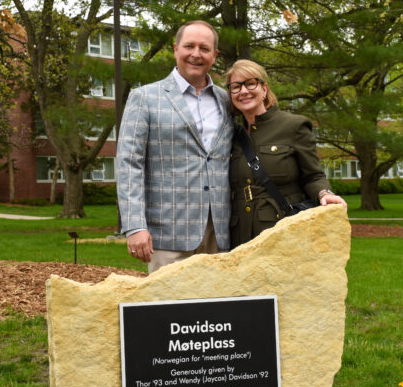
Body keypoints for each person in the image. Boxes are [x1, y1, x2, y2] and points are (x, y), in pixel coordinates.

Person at [115, 21, 233, 272]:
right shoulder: (144, 98)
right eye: (189, 46)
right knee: (169, 311)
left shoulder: (228, 100)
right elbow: (128, 164)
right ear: (176, 49)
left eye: (204, 48)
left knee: (219, 309)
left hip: (221, 234)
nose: (196, 54)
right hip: (167, 236)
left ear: (214, 55)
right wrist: (135, 225)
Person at [226, 59, 346, 246]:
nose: (243, 91)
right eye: (236, 87)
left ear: (264, 89)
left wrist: (324, 193)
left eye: (250, 83)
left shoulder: (293, 126)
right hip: (240, 233)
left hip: (282, 229)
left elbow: (313, 175)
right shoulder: (231, 135)